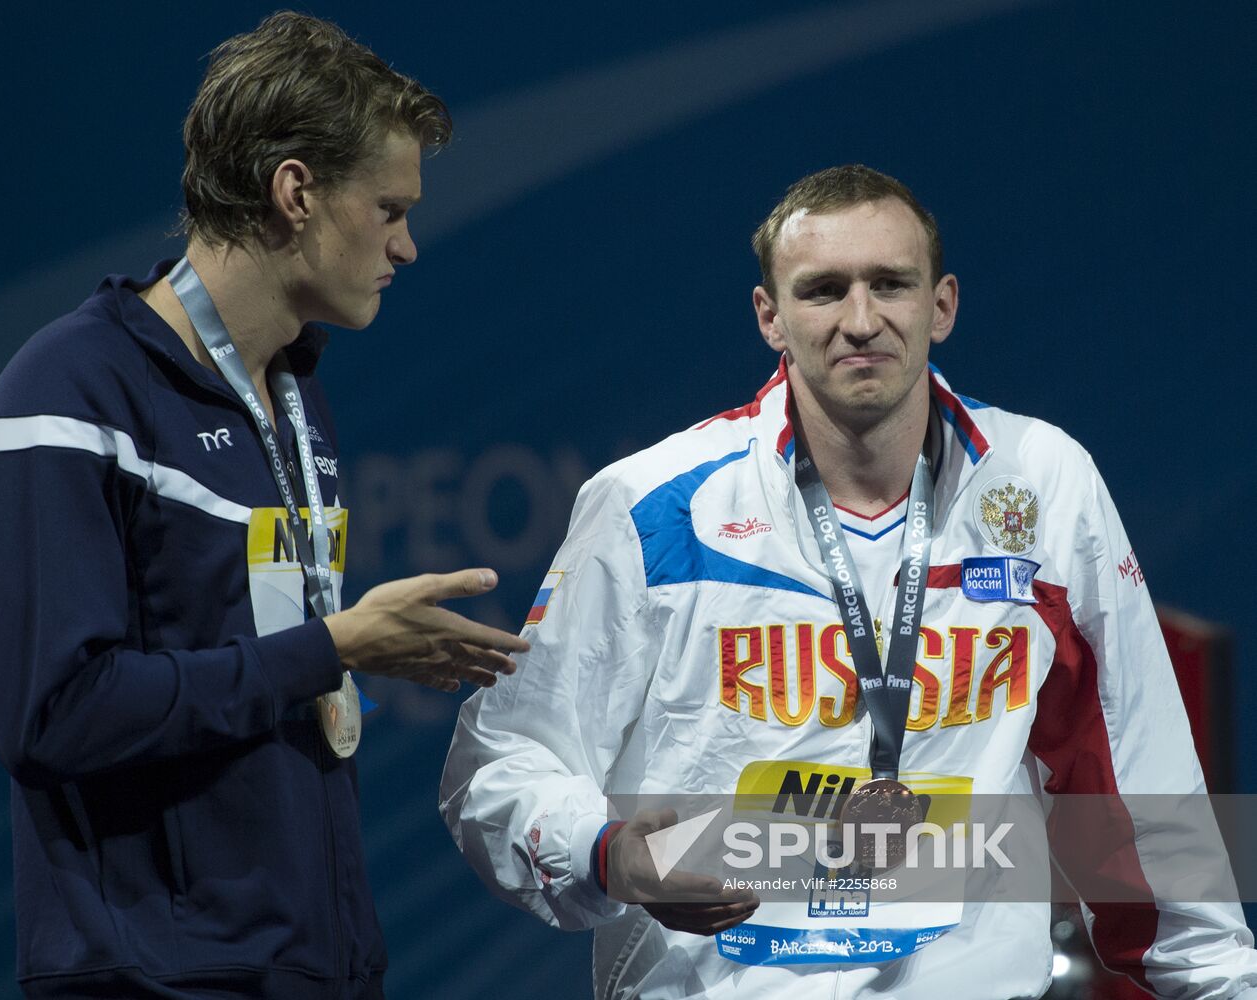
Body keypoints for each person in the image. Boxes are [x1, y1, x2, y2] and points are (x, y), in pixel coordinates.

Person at [440, 165, 1257, 998]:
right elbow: (502, 762)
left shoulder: (1043, 484)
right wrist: (606, 854)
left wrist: (1221, 984)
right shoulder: (653, 506)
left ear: (941, 305)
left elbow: (1136, 784)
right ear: (771, 317)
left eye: (889, 285)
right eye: (823, 290)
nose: (859, 321)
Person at [0, 12, 528, 1000]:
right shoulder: (63, 398)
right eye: (389, 208)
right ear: (295, 191)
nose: (408, 245)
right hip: (157, 980)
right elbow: (50, 716)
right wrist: (336, 645)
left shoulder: (294, 398)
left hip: (312, 966)